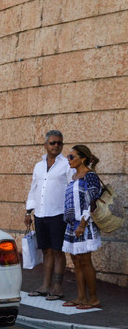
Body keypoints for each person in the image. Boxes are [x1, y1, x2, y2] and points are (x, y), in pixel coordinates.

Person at [24, 130, 74, 300]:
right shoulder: (38, 166)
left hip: (59, 214)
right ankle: (45, 285)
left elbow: (72, 188)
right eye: (52, 143)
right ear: (45, 145)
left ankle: (58, 287)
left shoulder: (67, 165)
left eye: (59, 143)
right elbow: (34, 190)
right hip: (40, 214)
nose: (56, 146)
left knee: (58, 251)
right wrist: (28, 211)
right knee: (46, 250)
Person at [62, 145, 102, 309]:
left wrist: (83, 224)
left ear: (83, 158)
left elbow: (93, 202)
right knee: (76, 261)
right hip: (72, 224)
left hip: (85, 224)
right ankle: (81, 297)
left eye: (72, 157)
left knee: (85, 261)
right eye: (68, 157)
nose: (69, 160)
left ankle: (93, 299)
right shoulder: (73, 176)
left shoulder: (90, 176)